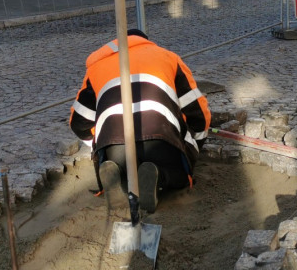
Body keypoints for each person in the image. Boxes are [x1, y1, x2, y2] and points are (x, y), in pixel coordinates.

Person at [70, 29, 211, 212]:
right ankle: (160, 177)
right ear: (145, 41)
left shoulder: (97, 67)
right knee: (180, 175)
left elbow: (79, 123)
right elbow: (197, 110)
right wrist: (197, 144)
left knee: (125, 165)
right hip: (162, 141)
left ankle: (117, 175)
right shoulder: (168, 58)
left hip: (115, 147)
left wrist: (97, 144)